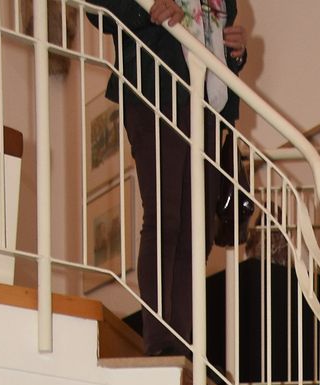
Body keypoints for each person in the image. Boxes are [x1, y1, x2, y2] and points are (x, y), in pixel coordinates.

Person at [91, 0, 249, 355]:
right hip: (155, 90)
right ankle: (162, 342)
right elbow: (96, 9)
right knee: (167, 219)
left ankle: (181, 342)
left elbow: (212, 40)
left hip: (206, 104)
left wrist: (235, 52)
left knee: (198, 229)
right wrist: (150, 9)